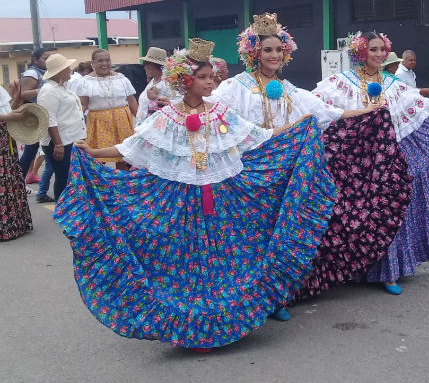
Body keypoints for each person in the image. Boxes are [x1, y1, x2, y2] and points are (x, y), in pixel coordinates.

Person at [53, 38, 336, 351]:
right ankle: (192, 325)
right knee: (188, 262)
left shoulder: (222, 112)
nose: (211, 81)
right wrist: (92, 151)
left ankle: (234, 316)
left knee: (227, 256)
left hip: (223, 198)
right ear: (186, 80)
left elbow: (261, 136)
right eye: (203, 77)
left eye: (211, 76)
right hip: (182, 202)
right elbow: (131, 147)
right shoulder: (167, 117)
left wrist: (300, 125)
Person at [215, 15, 411, 309]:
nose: (274, 55)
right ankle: (248, 293)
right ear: (254, 53)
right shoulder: (235, 87)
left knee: (282, 230)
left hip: (285, 170)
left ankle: (277, 294)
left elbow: (326, 112)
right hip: (250, 170)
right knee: (252, 231)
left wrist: (366, 112)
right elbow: (220, 117)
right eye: (268, 50)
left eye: (279, 50)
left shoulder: (291, 89)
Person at [313, 31, 429, 294]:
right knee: (356, 213)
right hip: (354, 162)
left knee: (389, 211)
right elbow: (316, 108)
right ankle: (352, 268)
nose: (379, 55)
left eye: (382, 49)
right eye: (373, 50)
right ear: (361, 53)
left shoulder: (392, 85)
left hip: (388, 158)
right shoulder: (339, 83)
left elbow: (426, 105)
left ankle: (388, 272)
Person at [37, 54, 87, 201]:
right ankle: (62, 207)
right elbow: (49, 119)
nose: (70, 70)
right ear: (59, 71)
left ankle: (69, 206)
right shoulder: (49, 90)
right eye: (67, 68)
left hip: (71, 138)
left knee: (71, 175)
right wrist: (58, 144)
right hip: (60, 141)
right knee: (63, 176)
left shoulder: (62, 87)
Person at [78, 49, 138, 170]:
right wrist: (75, 123)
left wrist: (142, 121)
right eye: (100, 61)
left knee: (123, 156)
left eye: (107, 60)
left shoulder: (121, 79)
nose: (104, 63)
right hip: (99, 123)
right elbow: (83, 105)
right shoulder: (86, 82)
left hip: (122, 122)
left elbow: (132, 101)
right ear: (92, 64)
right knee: (97, 158)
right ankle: (98, 185)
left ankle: (122, 186)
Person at [0, 86, 33, 241]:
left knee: (10, 178)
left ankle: (14, 224)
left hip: (5, 138)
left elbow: (7, 111)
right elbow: (5, 116)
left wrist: (15, 99)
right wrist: (8, 117)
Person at [19, 48, 53, 186]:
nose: (47, 61)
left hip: (45, 113)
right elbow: (24, 93)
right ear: (35, 60)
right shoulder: (32, 73)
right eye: (45, 58)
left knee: (38, 149)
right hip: (35, 115)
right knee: (31, 150)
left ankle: (20, 182)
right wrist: (43, 90)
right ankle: (18, 182)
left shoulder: (44, 72)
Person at [136, 47, 181, 126]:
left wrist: (155, 98)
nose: (144, 67)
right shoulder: (153, 81)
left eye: (145, 64)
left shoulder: (167, 83)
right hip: (145, 126)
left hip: (157, 128)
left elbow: (178, 103)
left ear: (151, 66)